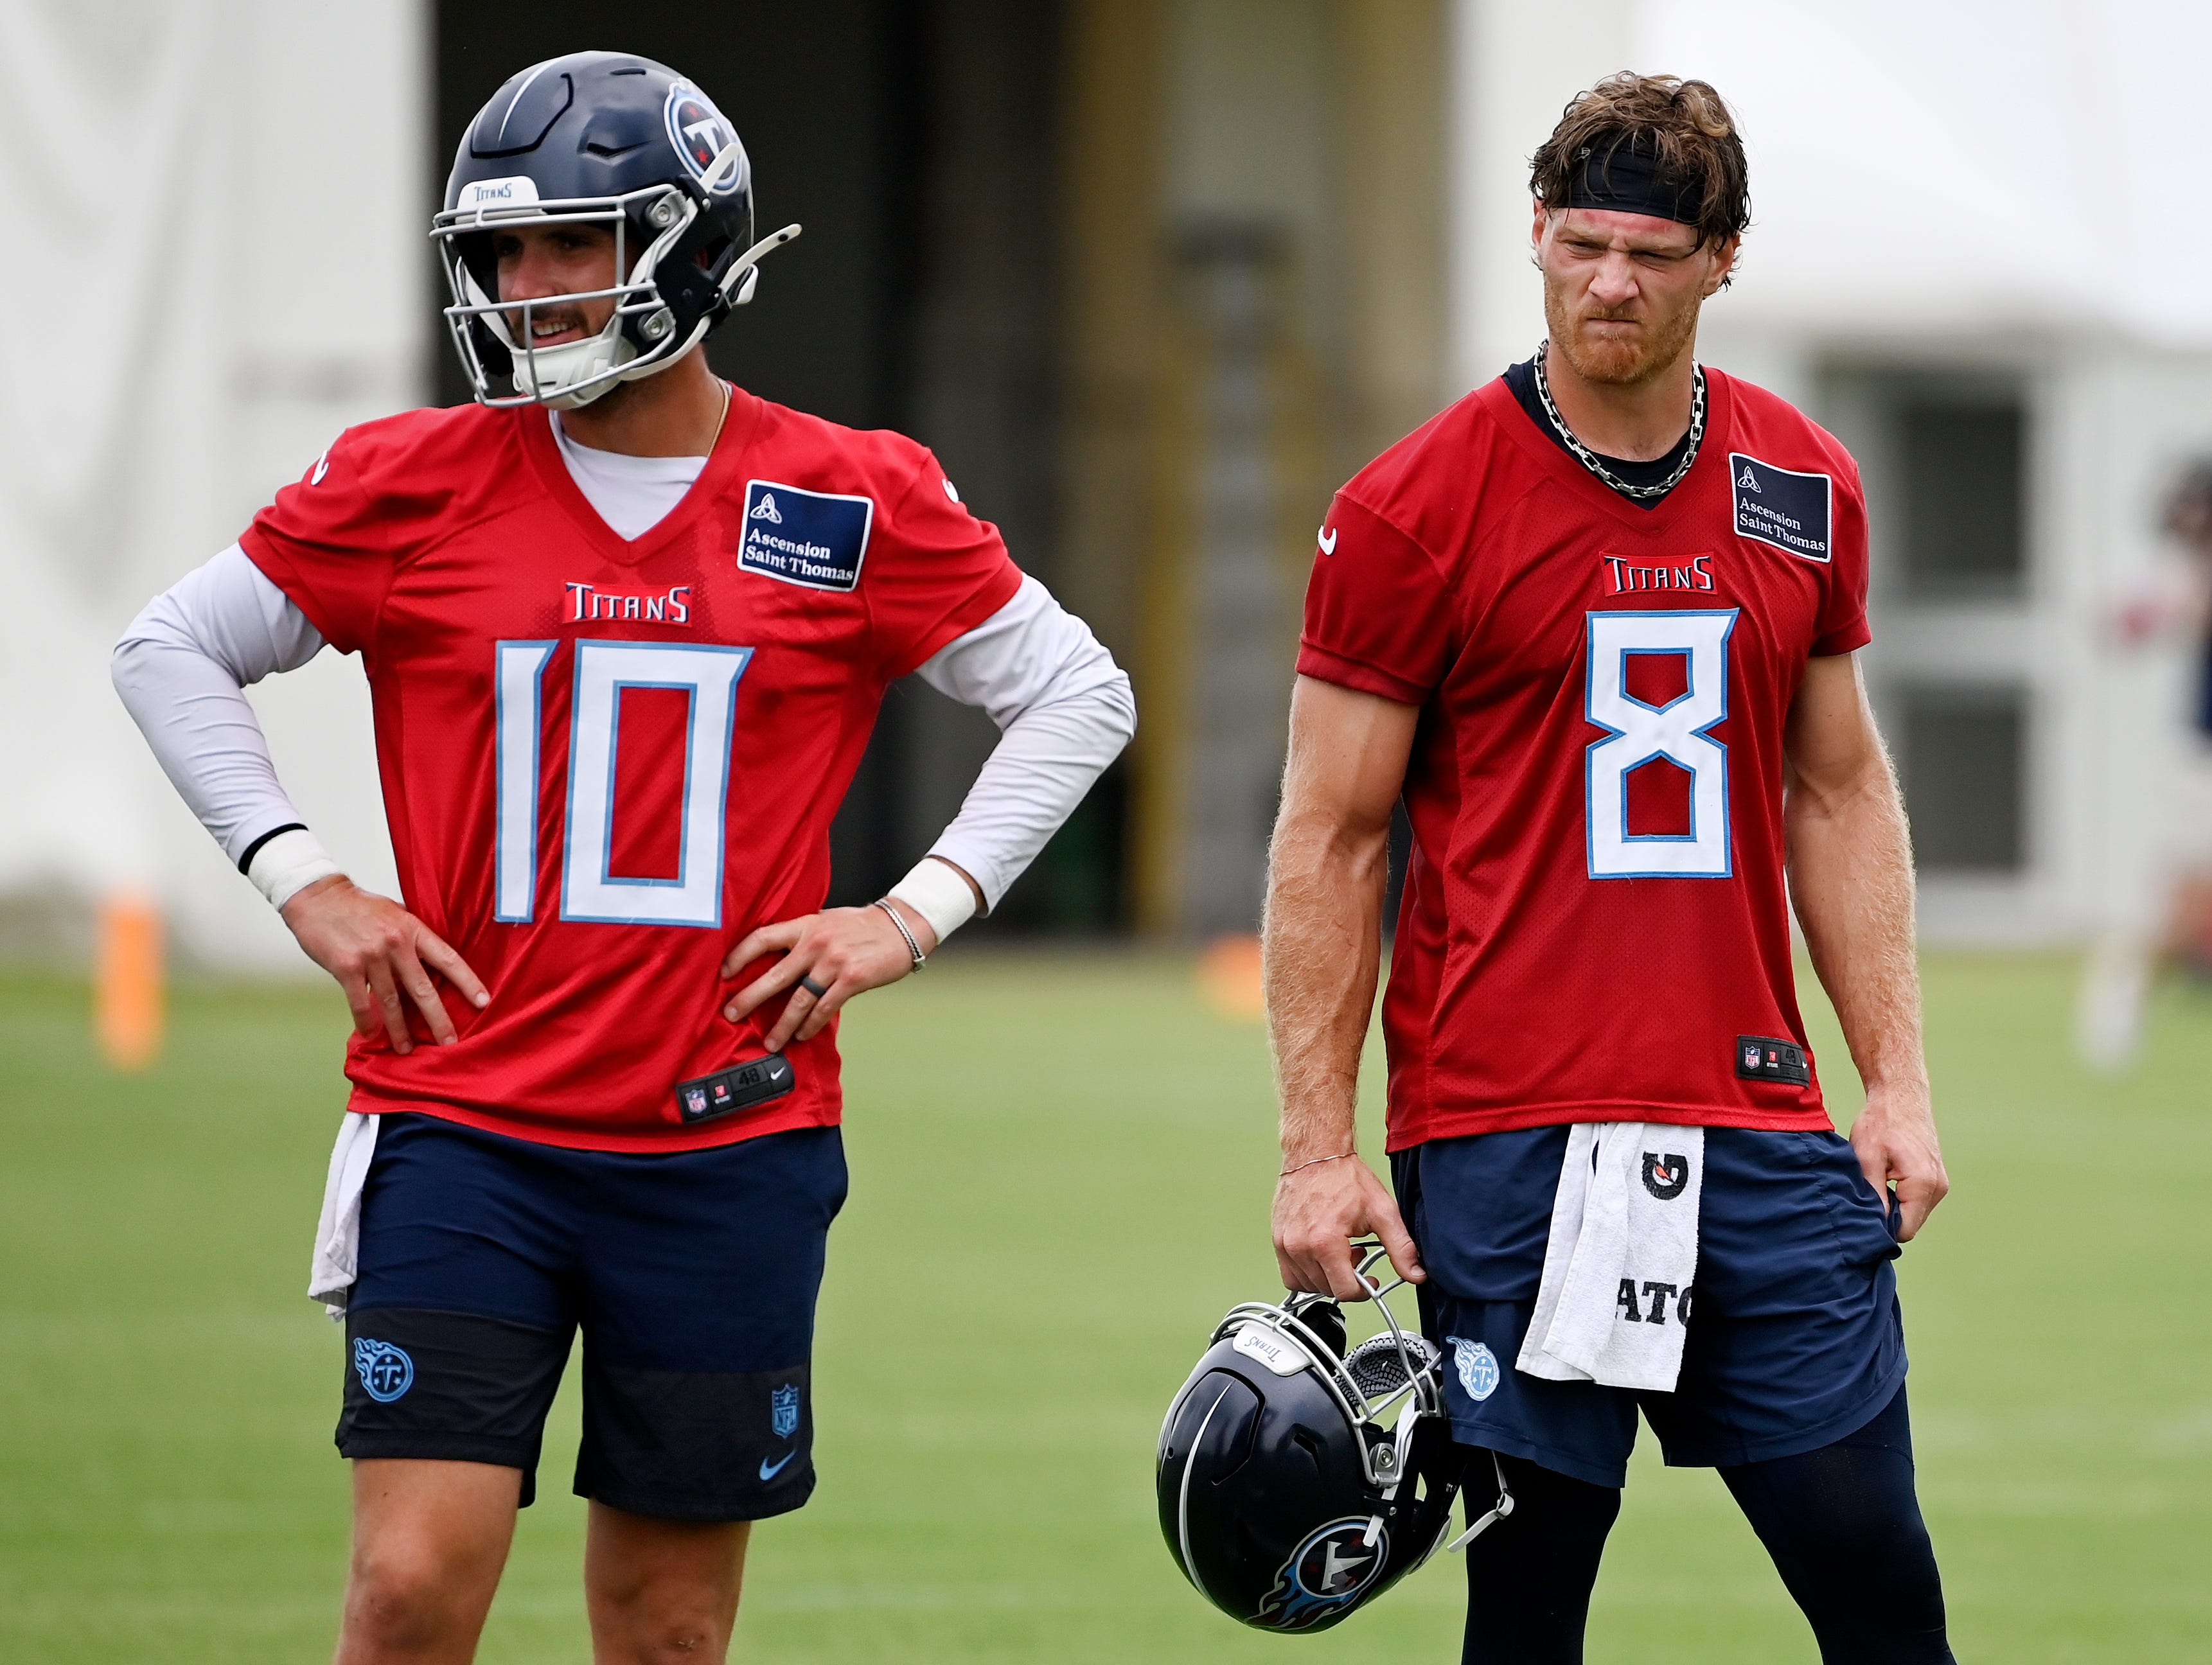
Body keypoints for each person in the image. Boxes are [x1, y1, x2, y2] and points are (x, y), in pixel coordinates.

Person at [112, 51, 1133, 1665]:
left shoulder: (843, 495)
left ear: (687, 240)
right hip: (464, 1121)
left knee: (663, 1628)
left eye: (570, 244)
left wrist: (910, 912)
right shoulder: (412, 479)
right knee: (404, 1590)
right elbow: (171, 647)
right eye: (503, 253)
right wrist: (301, 875)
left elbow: (1075, 690)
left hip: (723, 1136)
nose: (526, 286)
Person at [1263, 74, 1954, 1662]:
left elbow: (1837, 790)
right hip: (1508, 1137)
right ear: (1532, 236)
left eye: (1648, 253)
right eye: (1577, 245)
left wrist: (1895, 1080)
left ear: (1720, 259)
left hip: (1755, 1127)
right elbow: (1329, 835)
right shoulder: (1409, 506)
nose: (1606, 286)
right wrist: (1316, 1145)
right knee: (1527, 1594)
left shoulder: (1799, 485)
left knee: (1871, 1568)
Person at [2077, 461, 2212, 1071]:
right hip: (2202, 751)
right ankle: (2123, 985)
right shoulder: (2189, 573)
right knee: (2186, 895)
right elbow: (2135, 620)